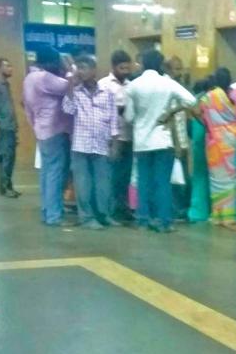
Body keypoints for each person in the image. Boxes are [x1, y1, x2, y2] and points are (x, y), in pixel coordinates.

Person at [124, 50, 196, 233]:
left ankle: (143, 219)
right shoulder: (168, 83)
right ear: (161, 64)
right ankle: (165, 221)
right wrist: (171, 112)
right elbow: (191, 100)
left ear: (143, 64)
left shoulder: (133, 86)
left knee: (143, 181)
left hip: (141, 142)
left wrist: (141, 118)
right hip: (164, 141)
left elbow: (129, 116)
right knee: (163, 182)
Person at [62, 55, 121, 230]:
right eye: (78, 67)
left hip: (102, 145)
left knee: (103, 185)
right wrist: (71, 85)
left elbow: (113, 120)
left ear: (94, 70)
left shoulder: (107, 93)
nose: (81, 71)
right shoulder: (76, 93)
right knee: (83, 185)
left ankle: (104, 215)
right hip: (81, 146)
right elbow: (67, 109)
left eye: (84, 67)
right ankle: (87, 218)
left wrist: (115, 144)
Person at [23, 46, 73, 227]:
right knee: (55, 174)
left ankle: (47, 211)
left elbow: (27, 109)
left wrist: (35, 126)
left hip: (41, 130)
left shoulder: (29, 78)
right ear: (50, 62)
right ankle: (54, 216)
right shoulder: (45, 77)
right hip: (55, 129)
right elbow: (70, 85)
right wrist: (70, 67)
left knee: (46, 173)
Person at [198, 67, 236, 227]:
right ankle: (229, 217)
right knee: (230, 179)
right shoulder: (231, 97)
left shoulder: (208, 97)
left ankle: (217, 215)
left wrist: (207, 124)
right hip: (231, 140)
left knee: (216, 179)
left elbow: (196, 110)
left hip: (214, 141)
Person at [99, 50, 134, 220]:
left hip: (128, 136)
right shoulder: (104, 85)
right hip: (112, 139)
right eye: (122, 68)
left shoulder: (131, 85)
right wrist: (118, 110)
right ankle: (109, 211)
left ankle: (123, 208)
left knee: (125, 176)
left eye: (128, 68)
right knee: (111, 176)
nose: (125, 71)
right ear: (113, 67)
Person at [164, 56, 192, 219]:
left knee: (181, 175)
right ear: (167, 69)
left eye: (180, 68)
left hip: (181, 139)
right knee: (175, 177)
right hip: (174, 141)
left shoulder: (177, 86)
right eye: (176, 68)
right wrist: (176, 144)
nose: (179, 72)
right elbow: (171, 117)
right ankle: (175, 209)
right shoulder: (168, 87)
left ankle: (178, 208)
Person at [0, 57, 20, 198]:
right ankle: (5, 188)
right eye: (7, 66)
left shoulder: (6, 86)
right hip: (3, 128)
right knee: (6, 158)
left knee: (9, 158)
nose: (10, 68)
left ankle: (7, 186)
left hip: (10, 126)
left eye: (10, 66)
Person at [187, 79, 212, 223]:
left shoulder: (197, 99)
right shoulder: (210, 99)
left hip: (198, 139)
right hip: (207, 138)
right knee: (206, 176)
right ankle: (204, 210)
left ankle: (198, 210)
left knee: (198, 175)